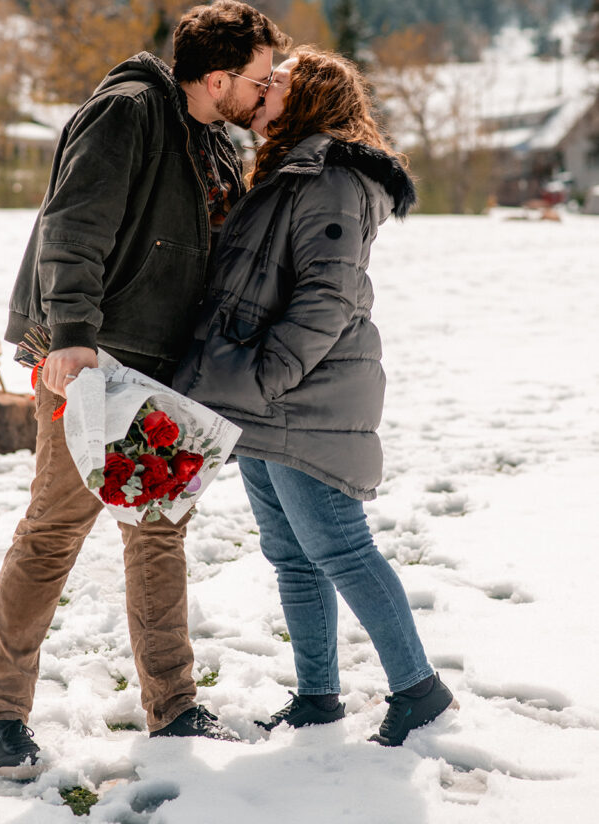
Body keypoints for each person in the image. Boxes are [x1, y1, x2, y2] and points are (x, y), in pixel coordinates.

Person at [0, 0, 291, 776]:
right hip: (93, 361)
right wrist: (72, 338)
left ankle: (173, 707)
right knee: (55, 529)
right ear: (216, 78)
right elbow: (72, 229)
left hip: (161, 366)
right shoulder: (128, 111)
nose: (264, 90)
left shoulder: (211, 139)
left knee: (158, 530)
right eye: (258, 79)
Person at [173, 46, 458, 747]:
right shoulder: (290, 169)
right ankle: (317, 695)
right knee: (292, 555)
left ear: (308, 100)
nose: (262, 88)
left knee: (341, 548)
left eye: (277, 82)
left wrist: (266, 376)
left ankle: (418, 689)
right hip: (262, 397)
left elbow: (327, 295)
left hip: (303, 396)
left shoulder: (331, 178)